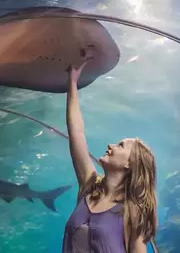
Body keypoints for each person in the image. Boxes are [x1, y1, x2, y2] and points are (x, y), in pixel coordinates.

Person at [62, 55, 158, 253]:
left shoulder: (133, 212)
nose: (111, 145)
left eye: (121, 146)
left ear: (130, 164)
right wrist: (72, 82)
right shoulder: (89, 186)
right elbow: (76, 133)